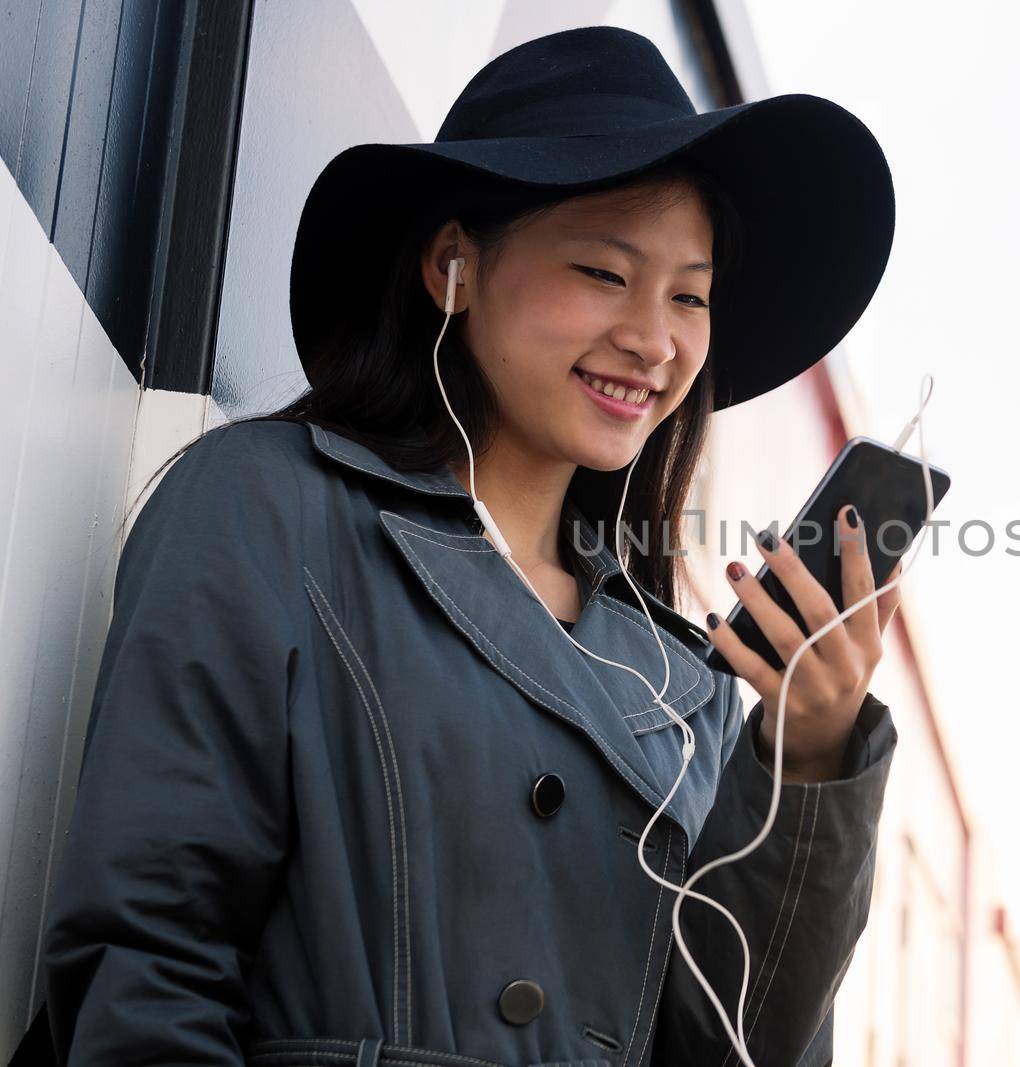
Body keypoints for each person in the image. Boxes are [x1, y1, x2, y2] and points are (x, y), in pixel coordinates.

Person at [35, 24, 901, 1067]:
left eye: (689, 293)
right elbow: (145, 958)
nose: (654, 338)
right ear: (453, 265)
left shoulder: (687, 683)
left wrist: (807, 755)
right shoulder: (270, 508)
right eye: (601, 269)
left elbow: (737, 1046)